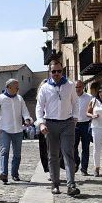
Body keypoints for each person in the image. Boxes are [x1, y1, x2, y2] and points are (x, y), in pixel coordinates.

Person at [35, 60, 80, 196]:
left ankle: (71, 185)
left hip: (67, 123)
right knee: (53, 155)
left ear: (62, 71)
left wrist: (75, 118)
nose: (56, 74)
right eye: (53, 71)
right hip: (50, 124)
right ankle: (55, 184)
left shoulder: (70, 85)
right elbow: (39, 106)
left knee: (68, 153)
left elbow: (75, 102)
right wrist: (41, 123)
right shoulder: (45, 88)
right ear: (50, 72)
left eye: (59, 71)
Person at [0, 78, 31, 183]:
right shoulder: (0, 98)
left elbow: (25, 111)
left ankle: (14, 174)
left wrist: (27, 119)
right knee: (4, 152)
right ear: (9, 87)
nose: (18, 88)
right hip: (5, 130)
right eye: (16, 87)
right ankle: (3, 173)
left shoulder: (20, 98)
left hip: (18, 130)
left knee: (17, 154)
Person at [73, 80, 93, 176]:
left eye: (79, 87)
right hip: (74, 125)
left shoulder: (89, 97)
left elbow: (93, 110)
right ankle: (76, 162)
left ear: (83, 87)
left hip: (86, 125)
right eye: (76, 87)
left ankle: (84, 169)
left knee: (86, 147)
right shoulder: (71, 97)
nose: (78, 89)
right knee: (73, 147)